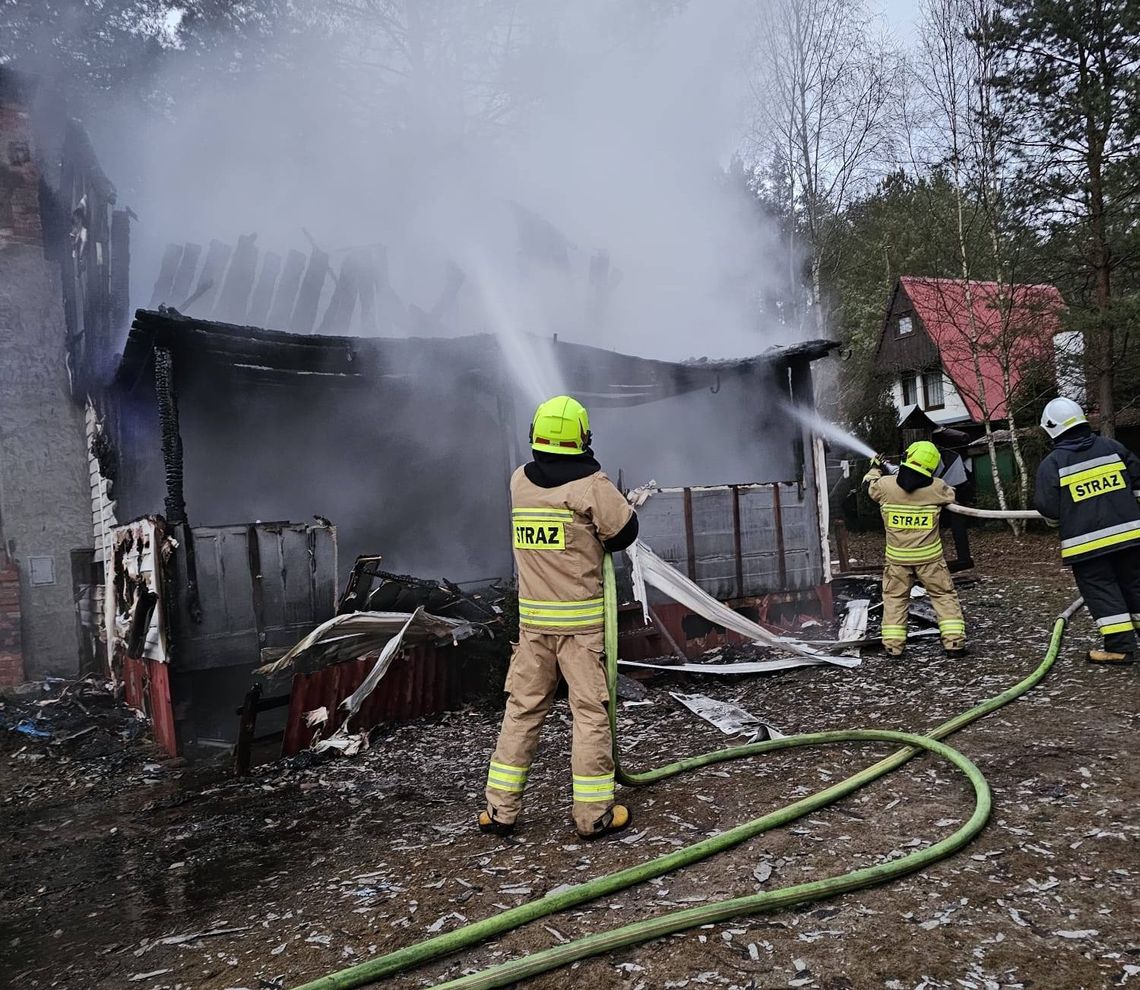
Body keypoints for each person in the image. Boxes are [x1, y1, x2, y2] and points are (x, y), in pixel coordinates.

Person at [480, 395, 639, 839]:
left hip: (533, 628)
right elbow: (624, 532)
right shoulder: (590, 487)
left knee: (521, 711)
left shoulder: (519, 482)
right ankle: (593, 815)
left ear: (535, 435)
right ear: (583, 438)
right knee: (589, 714)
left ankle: (499, 810)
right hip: (581, 631)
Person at [1034, 397, 1140, 664]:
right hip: (1131, 537)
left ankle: (1119, 648)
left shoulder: (1053, 464)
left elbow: (1048, 509)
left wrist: (1059, 522)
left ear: (1051, 428)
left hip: (1087, 546)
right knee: (1135, 585)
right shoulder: (1112, 447)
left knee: (1102, 591)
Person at [863, 440, 967, 657]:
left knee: (895, 599)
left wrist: (875, 468)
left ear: (907, 457)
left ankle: (893, 646)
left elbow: (869, 486)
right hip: (930, 559)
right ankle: (954, 644)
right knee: (943, 596)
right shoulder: (937, 488)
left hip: (897, 560)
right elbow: (951, 495)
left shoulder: (885, 486)